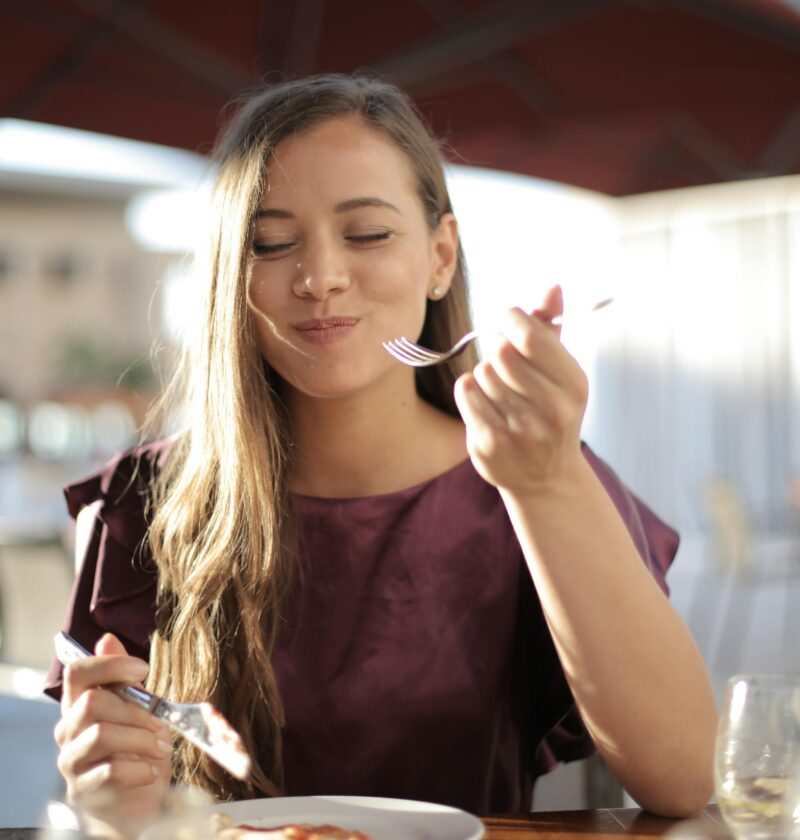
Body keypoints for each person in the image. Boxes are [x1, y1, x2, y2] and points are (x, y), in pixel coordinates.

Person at [45, 73, 716, 834]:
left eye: (367, 234)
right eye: (270, 243)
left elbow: (685, 777)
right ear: (231, 275)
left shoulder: (535, 476)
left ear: (440, 256)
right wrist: (112, 799)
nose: (321, 278)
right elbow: (123, 809)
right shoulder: (141, 504)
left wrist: (548, 482)